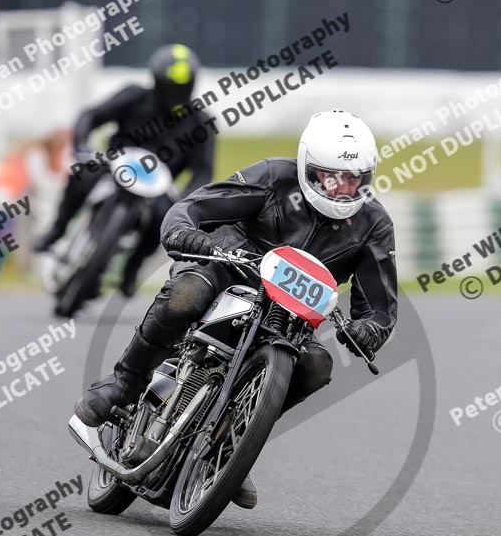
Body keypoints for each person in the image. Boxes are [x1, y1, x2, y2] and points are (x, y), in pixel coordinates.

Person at [74, 109, 398, 508]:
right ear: (308, 170)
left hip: (291, 318)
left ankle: (232, 445)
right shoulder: (273, 178)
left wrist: (368, 330)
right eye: (332, 178)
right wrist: (187, 233)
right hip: (229, 269)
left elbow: (379, 308)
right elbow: (193, 207)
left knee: (317, 365)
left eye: (355, 180)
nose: (343, 190)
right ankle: (124, 383)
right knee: (187, 294)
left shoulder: (374, 224)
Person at [34, 44, 215, 297]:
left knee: (166, 219)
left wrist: (185, 198)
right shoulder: (134, 96)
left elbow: (203, 170)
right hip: (114, 166)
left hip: (158, 188)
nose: (175, 93)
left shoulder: (202, 123)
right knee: (82, 176)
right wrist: (81, 148)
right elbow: (90, 116)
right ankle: (58, 229)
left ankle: (132, 268)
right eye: (170, 86)